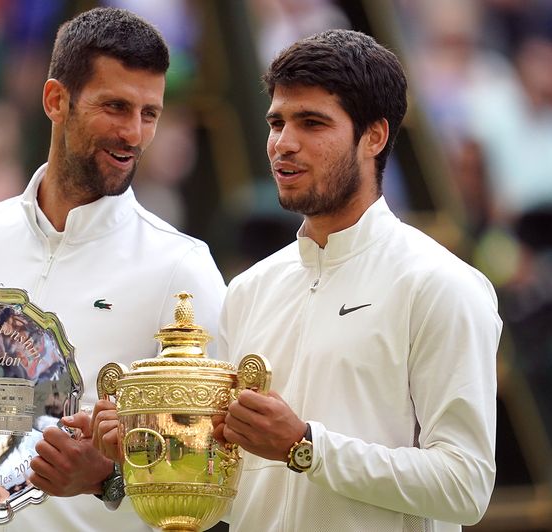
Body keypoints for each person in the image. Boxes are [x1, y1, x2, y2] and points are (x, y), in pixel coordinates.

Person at [0, 7, 226, 532]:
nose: (134, 134)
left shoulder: (183, 269)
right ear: (55, 100)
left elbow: (223, 482)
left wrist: (108, 479)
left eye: (150, 113)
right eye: (115, 107)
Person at [212, 30, 501, 531]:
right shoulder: (248, 290)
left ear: (375, 136)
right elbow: (234, 492)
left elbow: (465, 485)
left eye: (312, 122)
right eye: (277, 122)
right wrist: (124, 462)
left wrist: (306, 447)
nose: (284, 143)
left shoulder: (440, 285)